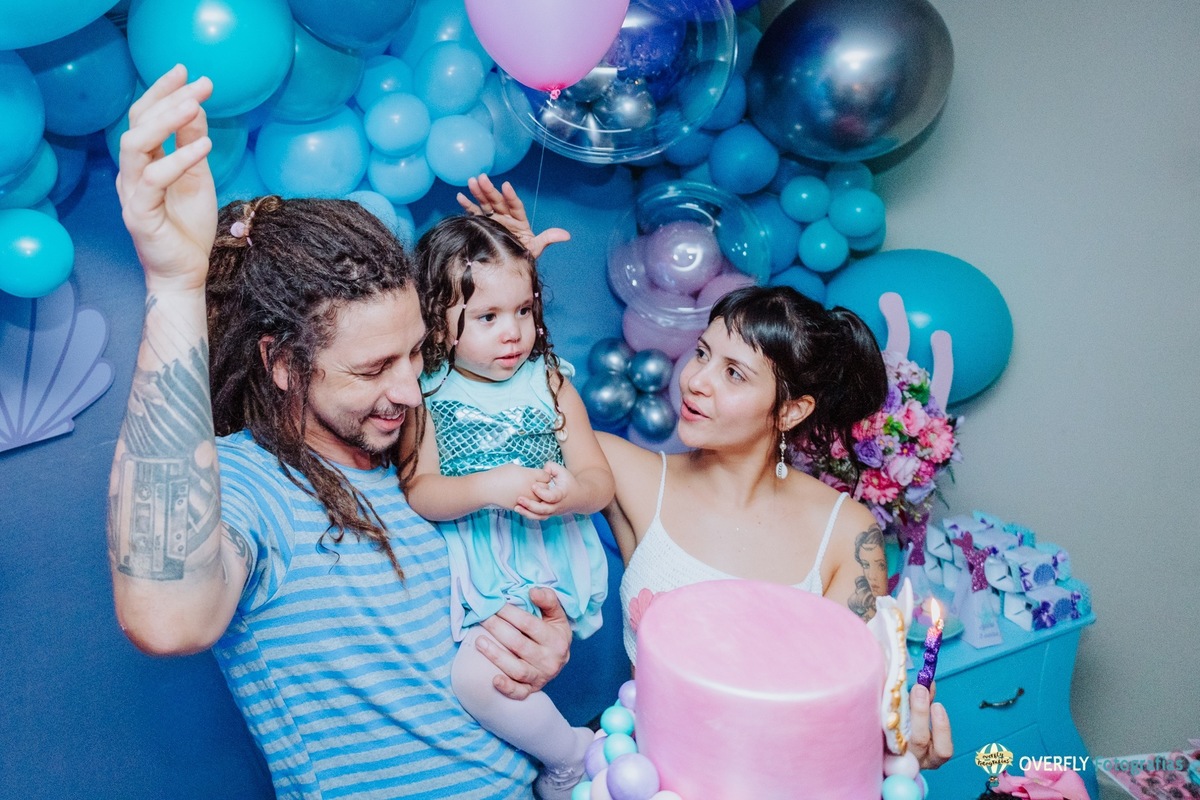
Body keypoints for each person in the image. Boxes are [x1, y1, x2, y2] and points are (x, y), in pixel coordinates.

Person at [107, 66, 572, 799]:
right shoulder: (250, 482)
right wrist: (173, 286)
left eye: (416, 352)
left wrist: (535, 649)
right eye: (373, 368)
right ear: (282, 364)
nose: (409, 389)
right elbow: (167, 619)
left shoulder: (421, 465)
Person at [599, 284, 955, 770]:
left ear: (791, 410)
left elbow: (850, 715)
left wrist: (898, 752)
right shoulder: (628, 474)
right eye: (702, 353)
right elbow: (520, 414)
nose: (696, 380)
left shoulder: (846, 534)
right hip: (638, 776)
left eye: (733, 373)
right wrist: (517, 270)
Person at [401, 213, 613, 798]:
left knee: (481, 677)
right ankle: (571, 750)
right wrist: (490, 486)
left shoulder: (550, 382)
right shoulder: (427, 393)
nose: (513, 332)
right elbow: (420, 489)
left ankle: (569, 756)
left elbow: (599, 481)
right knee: (473, 678)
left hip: (545, 559)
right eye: (487, 317)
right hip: (479, 564)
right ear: (438, 322)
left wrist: (572, 493)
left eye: (523, 310)